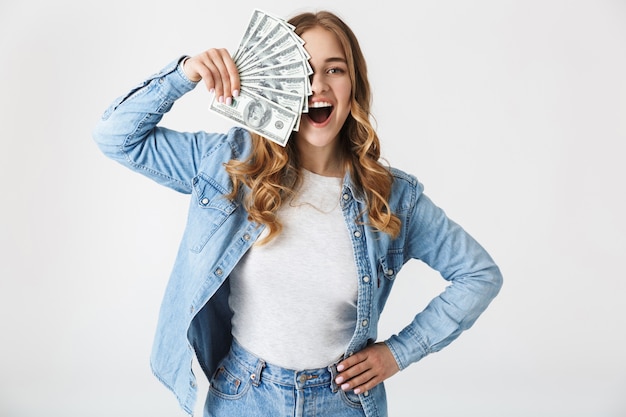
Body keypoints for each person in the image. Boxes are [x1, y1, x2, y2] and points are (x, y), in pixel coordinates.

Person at [92, 10, 503, 417]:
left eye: (335, 70)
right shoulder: (230, 164)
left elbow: (478, 275)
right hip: (243, 395)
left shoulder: (393, 197)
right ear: (276, 83)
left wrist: (398, 353)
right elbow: (116, 138)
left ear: (353, 85)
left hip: (344, 402)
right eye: (301, 71)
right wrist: (185, 73)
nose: (317, 85)